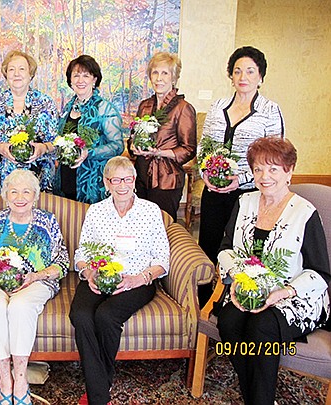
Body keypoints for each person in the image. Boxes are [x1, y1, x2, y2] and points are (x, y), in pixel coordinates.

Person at [216, 137, 330, 405]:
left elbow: (321, 274)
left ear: (289, 171)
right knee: (229, 323)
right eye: (258, 169)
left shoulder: (304, 213)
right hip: (246, 290)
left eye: (273, 169)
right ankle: (256, 395)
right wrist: (235, 278)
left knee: (260, 328)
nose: (264, 177)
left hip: (292, 295)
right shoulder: (245, 202)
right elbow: (225, 248)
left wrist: (281, 293)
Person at [69, 156, 170, 405]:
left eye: (127, 179)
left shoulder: (150, 211)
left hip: (136, 281)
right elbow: (82, 253)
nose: (122, 185)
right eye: (116, 179)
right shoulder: (96, 211)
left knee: (106, 316)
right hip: (99, 277)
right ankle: (102, 384)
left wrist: (139, 279)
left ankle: (97, 396)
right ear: (107, 183)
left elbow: (162, 259)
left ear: (134, 181)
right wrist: (88, 272)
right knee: (80, 315)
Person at [0, 169, 69, 405]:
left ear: (35, 196)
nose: (20, 197)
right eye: (13, 191)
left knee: (20, 307)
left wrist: (36, 276)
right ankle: (5, 380)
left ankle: (21, 380)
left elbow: (63, 261)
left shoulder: (47, 221)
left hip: (34, 282)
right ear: (5, 196)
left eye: (26, 191)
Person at [198, 46, 285, 266]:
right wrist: (205, 173)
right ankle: (207, 298)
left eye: (250, 71)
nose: (242, 77)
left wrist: (240, 179)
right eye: (237, 71)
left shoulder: (270, 110)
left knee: (239, 251)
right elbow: (204, 146)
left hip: (248, 195)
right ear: (231, 75)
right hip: (214, 192)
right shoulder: (218, 106)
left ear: (260, 77)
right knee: (209, 249)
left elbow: (274, 158)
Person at [0, 50, 58, 196]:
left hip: (39, 180)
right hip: (3, 181)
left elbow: (58, 143)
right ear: (6, 74)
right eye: (11, 69)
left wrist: (43, 148)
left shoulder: (45, 103)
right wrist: (1, 148)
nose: (16, 74)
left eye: (22, 69)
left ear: (30, 74)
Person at [129, 52, 196, 221]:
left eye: (165, 73)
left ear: (174, 78)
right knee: (140, 225)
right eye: (155, 72)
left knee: (162, 227)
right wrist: (132, 146)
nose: (159, 78)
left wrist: (160, 152)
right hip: (141, 175)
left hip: (166, 180)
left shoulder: (183, 108)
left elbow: (189, 149)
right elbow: (133, 137)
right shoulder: (145, 105)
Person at [55, 55, 124, 204]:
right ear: (70, 80)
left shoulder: (105, 109)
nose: (80, 80)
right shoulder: (68, 108)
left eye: (86, 75)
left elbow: (117, 146)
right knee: (68, 223)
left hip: (93, 181)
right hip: (66, 178)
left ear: (94, 80)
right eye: (76, 75)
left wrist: (89, 153)